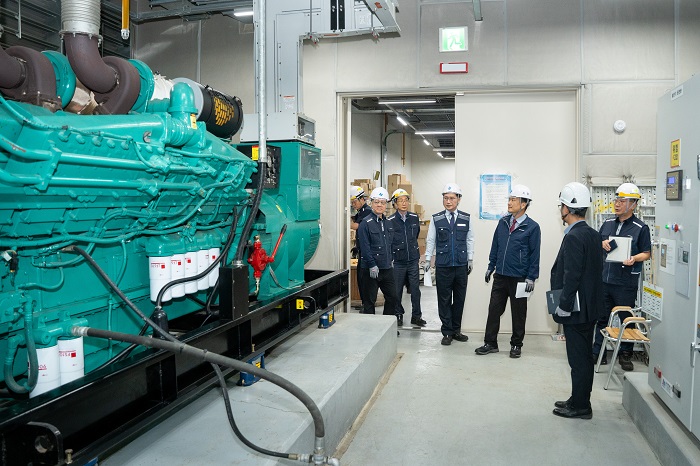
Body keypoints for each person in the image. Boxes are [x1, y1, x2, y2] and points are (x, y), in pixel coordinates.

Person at [550, 182, 604, 419]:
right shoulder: (592, 234)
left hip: (577, 310)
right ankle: (578, 398)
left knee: (578, 359)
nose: (560, 210)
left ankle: (581, 406)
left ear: (567, 208)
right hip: (590, 308)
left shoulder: (573, 237)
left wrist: (564, 305)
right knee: (583, 357)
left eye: (561, 205)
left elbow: (572, 276)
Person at [476, 185, 541, 358]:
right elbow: (495, 246)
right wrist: (491, 266)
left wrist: (531, 277)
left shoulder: (532, 227)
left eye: (513, 200)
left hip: (520, 277)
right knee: (494, 310)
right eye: (509, 199)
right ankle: (490, 343)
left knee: (518, 313)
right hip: (501, 275)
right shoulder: (503, 222)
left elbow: (535, 254)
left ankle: (516, 345)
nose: (509, 203)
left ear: (523, 204)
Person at [593, 182, 651, 370]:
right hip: (605, 279)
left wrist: (634, 258)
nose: (617, 204)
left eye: (622, 201)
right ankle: (598, 352)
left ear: (633, 204)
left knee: (626, 318)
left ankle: (625, 354)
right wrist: (601, 243)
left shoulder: (640, 227)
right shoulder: (608, 223)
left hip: (625, 282)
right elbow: (598, 241)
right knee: (602, 318)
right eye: (616, 200)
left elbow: (647, 253)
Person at [424, 183, 474, 346]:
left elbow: (470, 239)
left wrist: (470, 259)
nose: (448, 201)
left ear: (459, 199)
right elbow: (431, 239)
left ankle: (456, 330)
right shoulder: (436, 218)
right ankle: (447, 332)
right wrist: (428, 259)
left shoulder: (466, 218)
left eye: (452, 198)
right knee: (444, 299)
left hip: (460, 265)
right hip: (443, 265)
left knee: (459, 299)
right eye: (445, 198)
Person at [357, 187, 399, 324]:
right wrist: (372, 264)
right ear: (371, 203)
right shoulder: (365, 224)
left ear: (386, 204)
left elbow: (391, 244)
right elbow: (364, 247)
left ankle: (386, 326)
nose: (379, 205)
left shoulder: (388, 223)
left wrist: (391, 260)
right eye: (376, 202)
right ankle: (371, 329)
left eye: (382, 202)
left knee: (392, 297)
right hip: (371, 270)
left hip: (386, 268)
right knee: (369, 301)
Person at [388, 188, 426, 327]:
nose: (404, 203)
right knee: (397, 290)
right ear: (395, 203)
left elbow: (415, 235)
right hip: (398, 261)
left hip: (413, 260)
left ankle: (416, 316)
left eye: (406, 200)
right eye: (400, 200)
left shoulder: (414, 217)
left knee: (415, 289)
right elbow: (389, 241)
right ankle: (398, 314)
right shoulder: (390, 220)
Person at [350, 186, 373, 310]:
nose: (353, 205)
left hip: (366, 252)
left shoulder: (367, 211)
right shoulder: (360, 212)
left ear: (361, 199)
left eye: (354, 202)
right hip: (361, 250)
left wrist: (344, 219)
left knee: (365, 280)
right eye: (352, 203)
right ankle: (365, 303)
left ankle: (367, 305)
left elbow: (357, 226)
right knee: (361, 279)